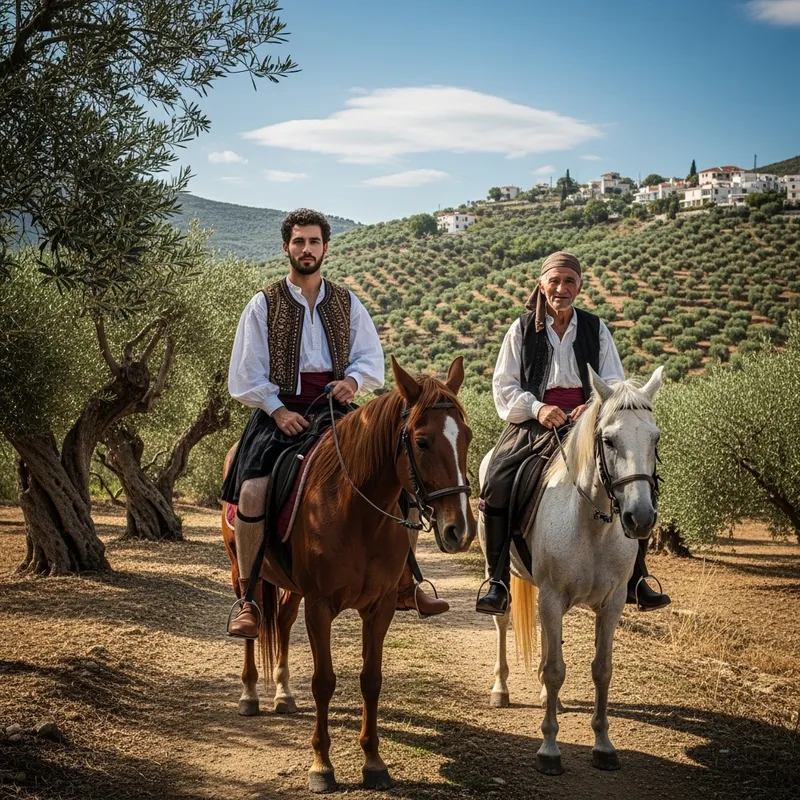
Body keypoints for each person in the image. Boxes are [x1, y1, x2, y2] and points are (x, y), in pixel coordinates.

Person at [222, 209, 448, 639]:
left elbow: (370, 359)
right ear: (286, 247)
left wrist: (353, 380)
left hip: (335, 411)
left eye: (314, 242)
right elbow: (246, 373)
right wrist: (276, 409)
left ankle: (408, 582)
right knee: (253, 489)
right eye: (298, 242)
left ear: (326, 247)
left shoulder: (348, 301)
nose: (306, 249)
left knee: (397, 476)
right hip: (279, 410)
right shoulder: (263, 303)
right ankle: (248, 596)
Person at [476, 251, 671, 616]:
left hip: (587, 419)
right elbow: (503, 386)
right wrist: (538, 408)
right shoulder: (520, 329)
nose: (561, 289)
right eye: (555, 281)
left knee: (636, 475)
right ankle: (498, 580)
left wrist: (594, 406)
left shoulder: (596, 328)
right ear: (541, 285)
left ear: (579, 287)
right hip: (533, 420)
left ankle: (637, 579)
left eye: (569, 282)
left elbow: (613, 379)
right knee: (499, 478)